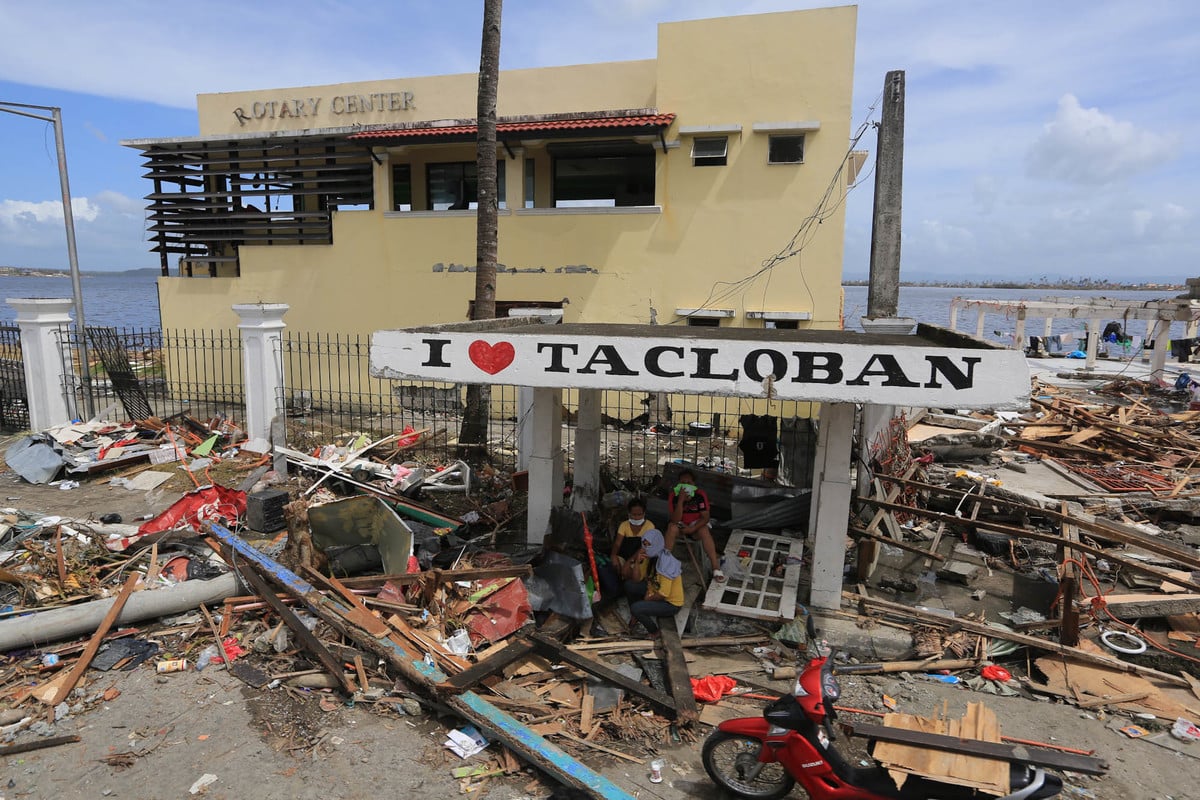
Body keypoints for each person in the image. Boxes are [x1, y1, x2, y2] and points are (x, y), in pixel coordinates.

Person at [665, 469, 724, 582]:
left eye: (689, 483)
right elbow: (675, 519)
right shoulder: (674, 495)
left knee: (704, 529)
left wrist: (692, 528)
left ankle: (715, 566)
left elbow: (705, 517)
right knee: (671, 528)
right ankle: (665, 561)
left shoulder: (700, 495)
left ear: (693, 484)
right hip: (680, 525)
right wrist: (681, 501)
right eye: (683, 483)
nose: (686, 486)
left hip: (695, 526)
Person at [623, 529, 684, 637]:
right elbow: (637, 579)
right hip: (654, 589)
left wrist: (648, 598)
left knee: (636, 608)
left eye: (649, 545)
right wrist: (637, 562)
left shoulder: (666, 563)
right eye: (644, 544)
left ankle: (654, 632)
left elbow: (663, 594)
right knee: (629, 585)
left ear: (657, 544)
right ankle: (636, 615)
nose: (646, 548)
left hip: (670, 603)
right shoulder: (650, 557)